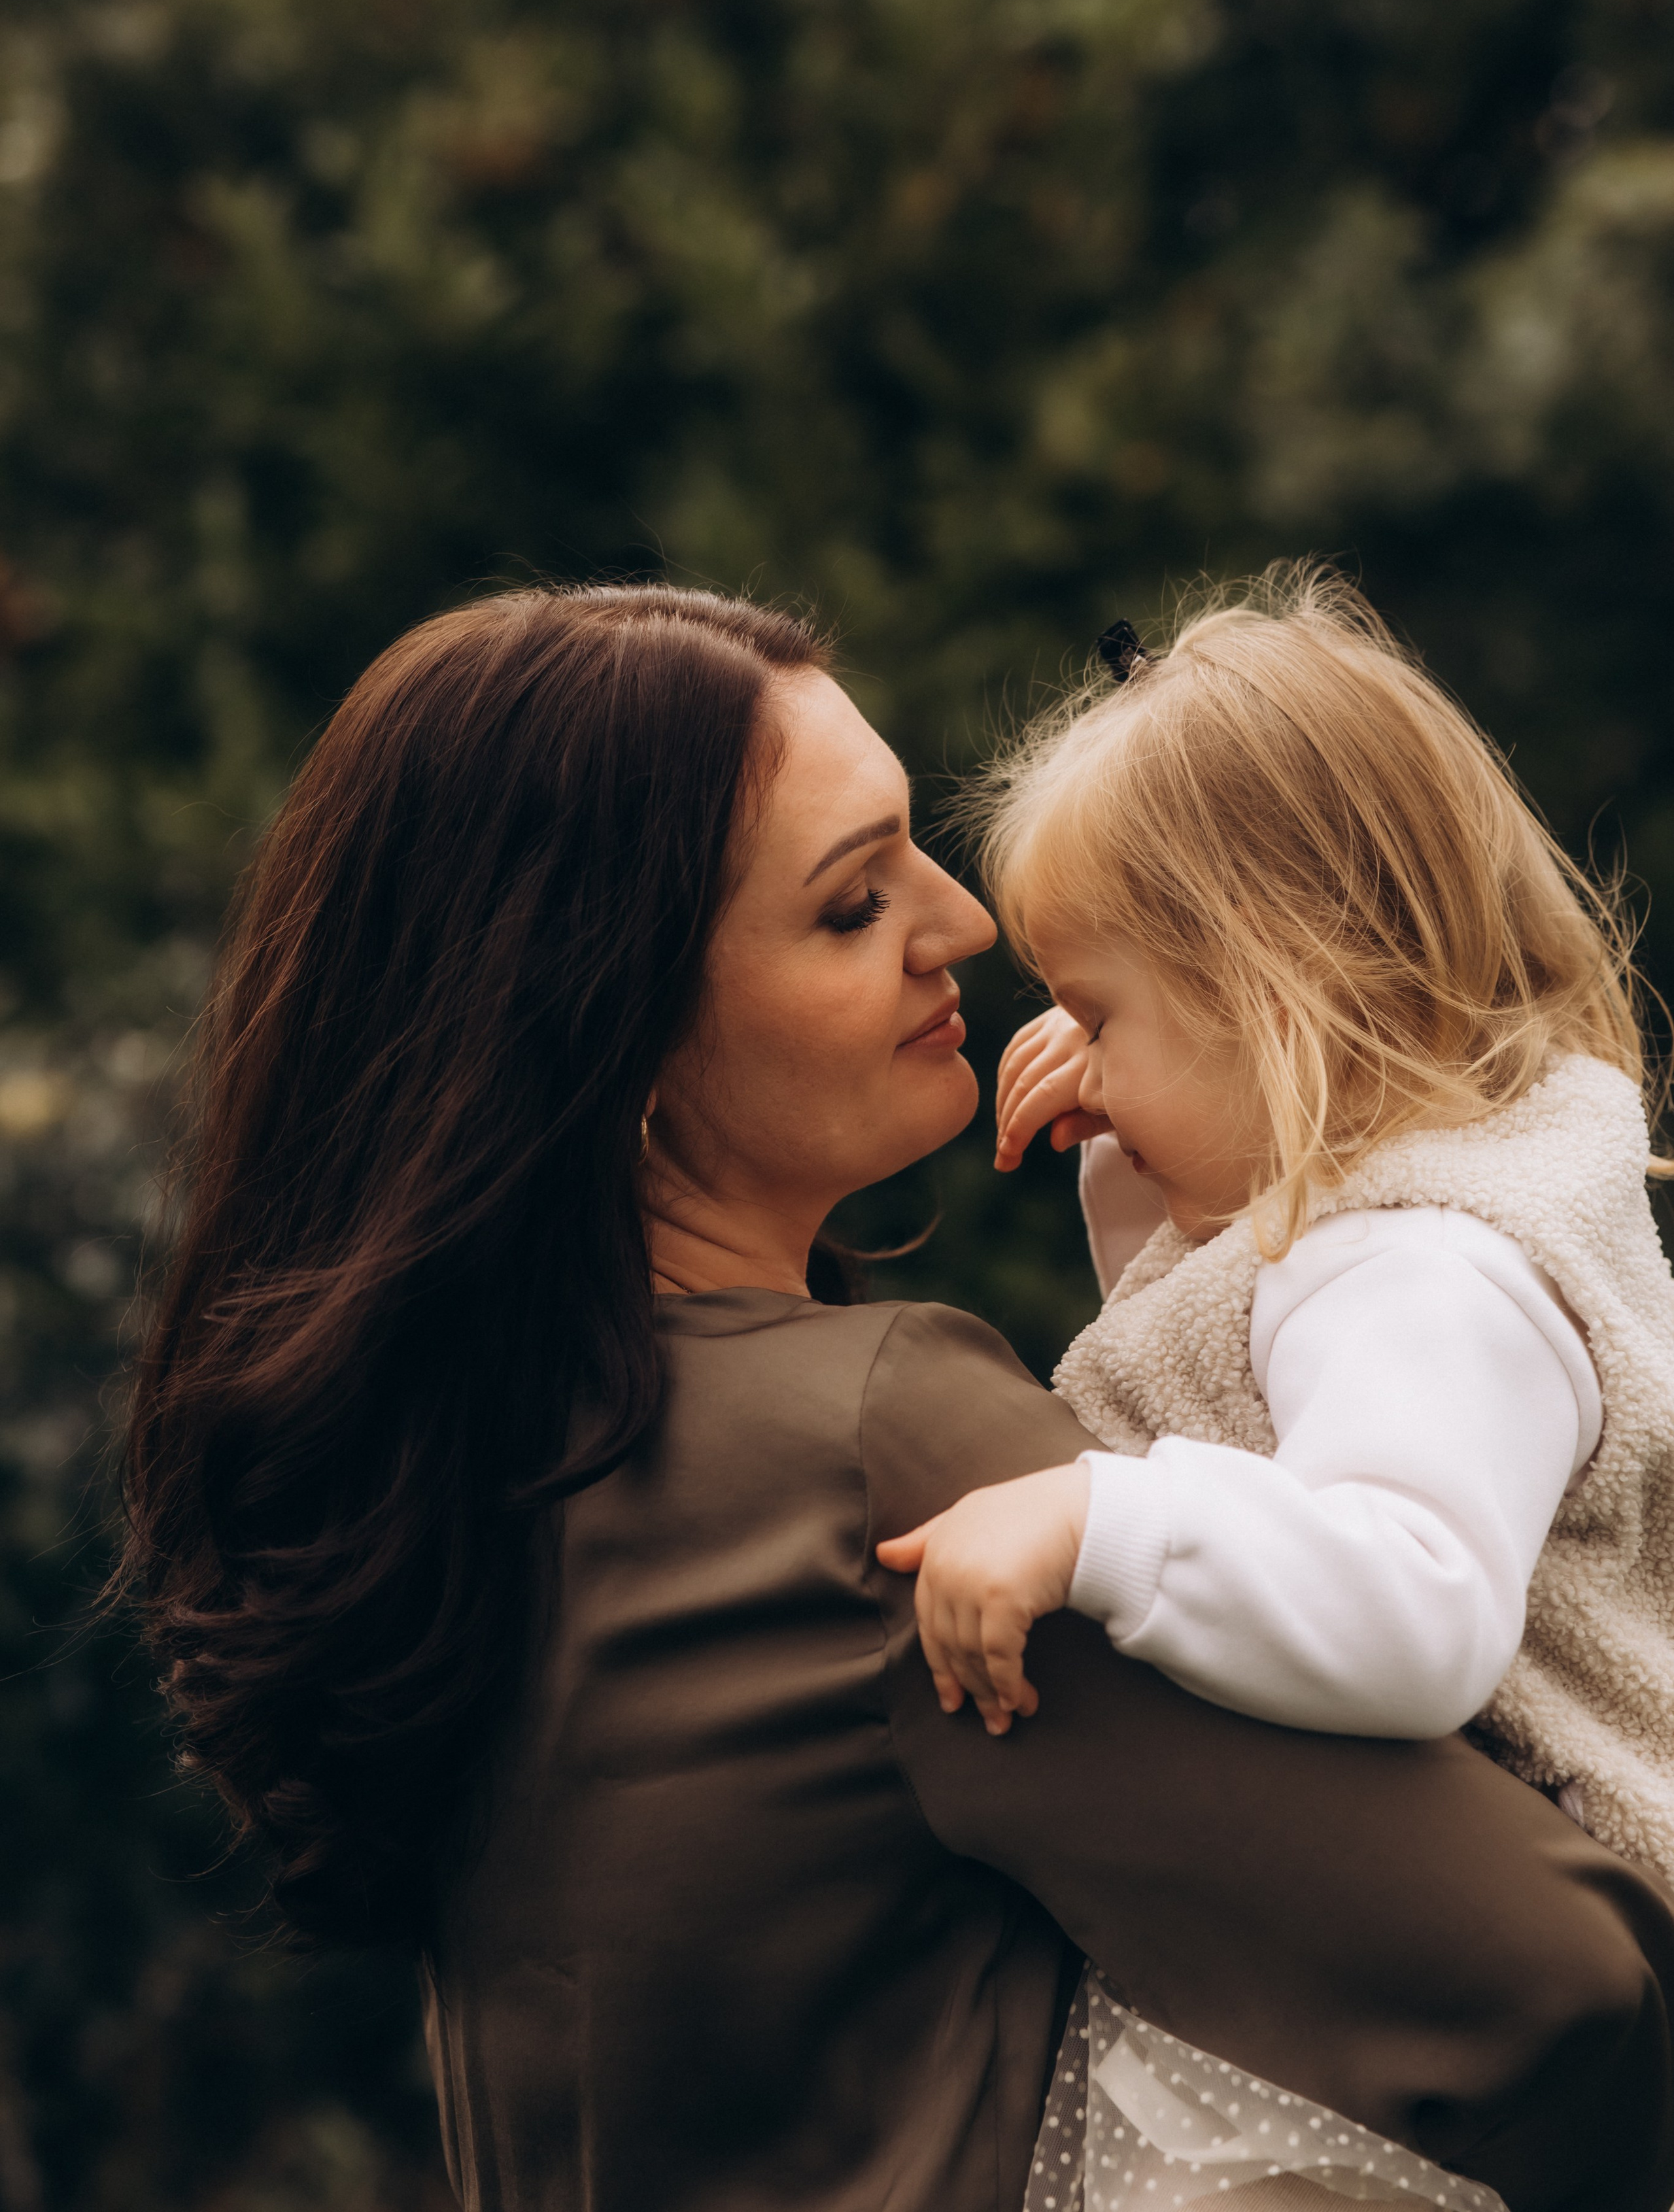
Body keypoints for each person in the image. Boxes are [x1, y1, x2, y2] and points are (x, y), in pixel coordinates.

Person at [119, 582, 1674, 2212]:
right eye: (853, 905)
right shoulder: (873, 1444)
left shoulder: (478, 1469)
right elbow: (1554, 1985)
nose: (966, 927)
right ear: (614, 1039)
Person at [878, 566, 1674, 2205]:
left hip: (1511, 1982)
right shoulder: (1377, 1219)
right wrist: (1130, 1165)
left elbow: (1406, 1601)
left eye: (1096, 1009)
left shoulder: (1435, 1273)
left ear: (1278, 995)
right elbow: (1254, 1396)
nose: (1064, 1050)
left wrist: (1101, 1517)